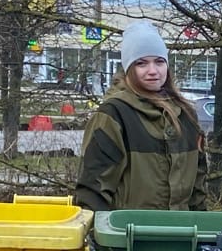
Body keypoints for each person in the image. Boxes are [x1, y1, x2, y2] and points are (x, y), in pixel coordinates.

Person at [73, 22, 207, 213]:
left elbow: (198, 189)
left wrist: (200, 231)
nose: (153, 70)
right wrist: (101, 237)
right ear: (128, 68)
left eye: (159, 62)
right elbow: (92, 190)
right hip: (128, 235)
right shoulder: (114, 114)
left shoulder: (186, 115)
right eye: (141, 63)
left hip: (181, 235)